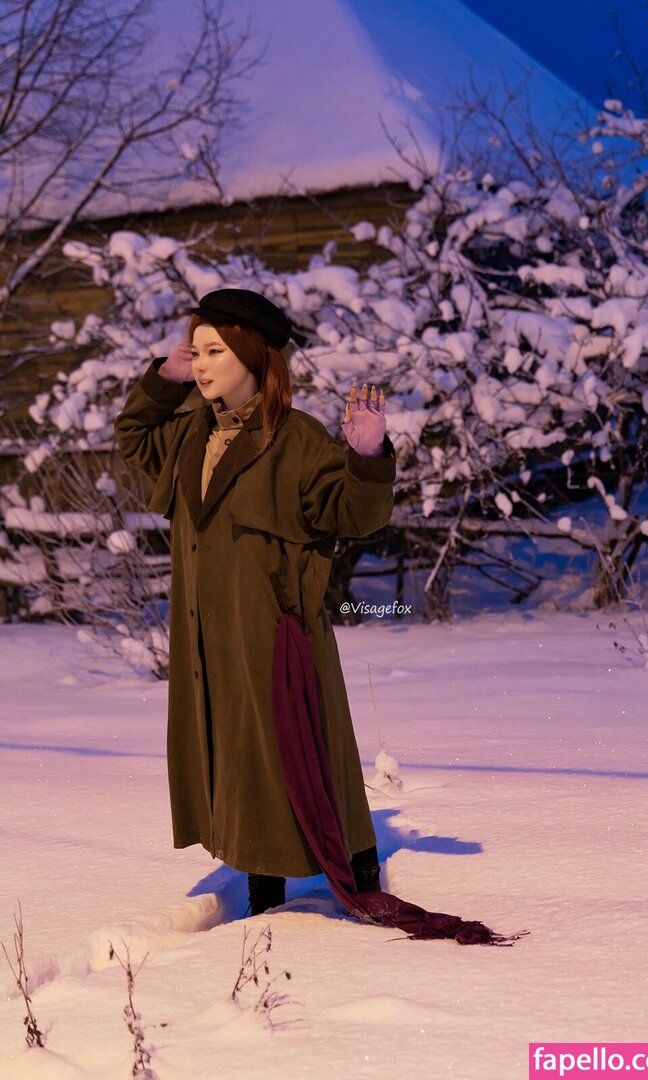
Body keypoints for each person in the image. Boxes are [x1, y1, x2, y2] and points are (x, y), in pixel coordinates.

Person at [114, 288, 395, 917]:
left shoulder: (296, 439)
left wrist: (367, 458)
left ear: (252, 355)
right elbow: (133, 437)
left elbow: (354, 513)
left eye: (215, 351)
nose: (202, 364)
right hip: (206, 637)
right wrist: (164, 381)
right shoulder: (190, 433)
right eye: (197, 350)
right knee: (238, 756)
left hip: (275, 631)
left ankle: (355, 867)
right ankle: (261, 893)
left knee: (301, 752)